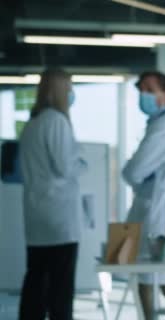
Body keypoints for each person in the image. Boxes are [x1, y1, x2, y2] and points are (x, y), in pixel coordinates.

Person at [19, 68, 86, 320]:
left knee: (36, 283)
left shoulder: (33, 123)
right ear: (59, 90)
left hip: (37, 217)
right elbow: (65, 167)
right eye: (69, 88)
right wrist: (82, 160)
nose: (71, 93)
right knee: (60, 289)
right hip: (58, 220)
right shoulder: (56, 121)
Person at [122, 71, 165, 319]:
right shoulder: (159, 124)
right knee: (154, 278)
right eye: (141, 90)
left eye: (149, 90)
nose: (143, 95)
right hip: (152, 206)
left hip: (156, 210)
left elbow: (133, 170)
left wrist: (134, 173)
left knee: (155, 278)